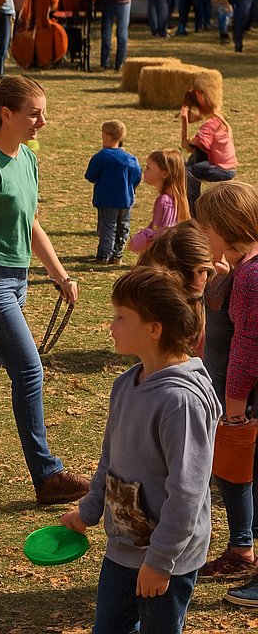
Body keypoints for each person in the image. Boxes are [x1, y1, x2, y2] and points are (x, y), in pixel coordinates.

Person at [0, 77, 89, 504]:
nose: (42, 122)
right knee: (29, 371)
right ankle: (47, 475)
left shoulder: (26, 159)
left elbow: (30, 221)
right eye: (34, 113)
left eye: (42, 112)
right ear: (5, 114)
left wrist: (60, 274)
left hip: (16, 281)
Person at [59, 267, 219, 634]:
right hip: (124, 546)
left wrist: (161, 562)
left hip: (169, 557)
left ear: (154, 328)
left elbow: (188, 492)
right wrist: (88, 511)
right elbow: (109, 461)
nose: (111, 325)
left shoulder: (181, 402)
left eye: (120, 317)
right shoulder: (125, 385)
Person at [194, 183, 258, 598]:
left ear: (225, 226)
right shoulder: (244, 268)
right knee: (236, 473)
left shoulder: (252, 276)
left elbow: (247, 346)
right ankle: (241, 549)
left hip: (246, 401)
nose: (204, 236)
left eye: (207, 229)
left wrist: (234, 405)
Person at [85, 119, 142, 264]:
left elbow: (91, 176)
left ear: (106, 136)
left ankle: (104, 255)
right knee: (123, 226)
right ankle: (117, 254)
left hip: (106, 199)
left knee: (107, 227)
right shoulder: (130, 159)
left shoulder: (102, 156)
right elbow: (136, 177)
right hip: (126, 199)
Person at [181, 74, 237, 213]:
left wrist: (184, 121)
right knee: (193, 161)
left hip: (221, 170)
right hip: (229, 166)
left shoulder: (208, 127)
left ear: (200, 99)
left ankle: (193, 212)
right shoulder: (219, 119)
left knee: (187, 172)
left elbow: (187, 147)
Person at [128, 150, 189, 256]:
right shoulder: (171, 199)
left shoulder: (165, 201)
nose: (144, 171)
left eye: (148, 168)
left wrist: (149, 254)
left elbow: (163, 235)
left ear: (164, 174)